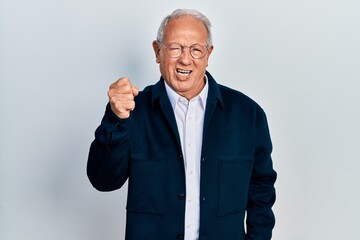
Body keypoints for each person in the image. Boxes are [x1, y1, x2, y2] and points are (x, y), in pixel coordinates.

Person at [87, 9, 276, 240]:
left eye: (196, 50)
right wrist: (116, 119)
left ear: (208, 54)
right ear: (158, 52)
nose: (185, 59)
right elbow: (103, 180)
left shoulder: (247, 115)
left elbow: (261, 192)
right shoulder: (133, 111)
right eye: (175, 48)